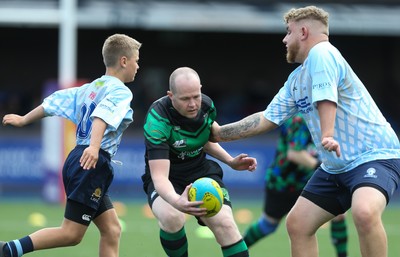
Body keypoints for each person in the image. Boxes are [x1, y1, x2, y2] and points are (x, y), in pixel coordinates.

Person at [210, 5, 400, 257]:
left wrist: (327, 134)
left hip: (373, 156)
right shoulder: (296, 79)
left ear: (302, 32)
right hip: (335, 167)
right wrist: (218, 133)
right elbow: (266, 119)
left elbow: (326, 97)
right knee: (298, 223)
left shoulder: (323, 52)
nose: (284, 39)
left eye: (287, 32)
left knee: (364, 212)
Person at [1, 33, 141, 257]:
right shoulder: (120, 91)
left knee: (112, 229)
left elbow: (54, 102)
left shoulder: (90, 88)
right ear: (124, 61)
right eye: (136, 60)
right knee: (71, 234)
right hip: (91, 162)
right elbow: (101, 117)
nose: (137, 65)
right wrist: (94, 148)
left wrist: (24, 119)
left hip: (79, 158)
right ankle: (9, 250)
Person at [141, 66, 257, 257]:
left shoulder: (207, 106)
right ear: (171, 95)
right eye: (185, 99)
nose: (193, 104)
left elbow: (204, 140)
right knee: (172, 217)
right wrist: (177, 201)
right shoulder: (157, 119)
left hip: (201, 172)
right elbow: (159, 176)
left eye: (196, 96)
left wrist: (230, 161)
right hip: (168, 177)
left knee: (226, 225)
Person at [243, 114, 348, 257]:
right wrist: (322, 167)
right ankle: (238, 251)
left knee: (339, 214)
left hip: (310, 180)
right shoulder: (299, 119)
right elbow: (294, 154)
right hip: (284, 182)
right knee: (268, 225)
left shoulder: (326, 118)